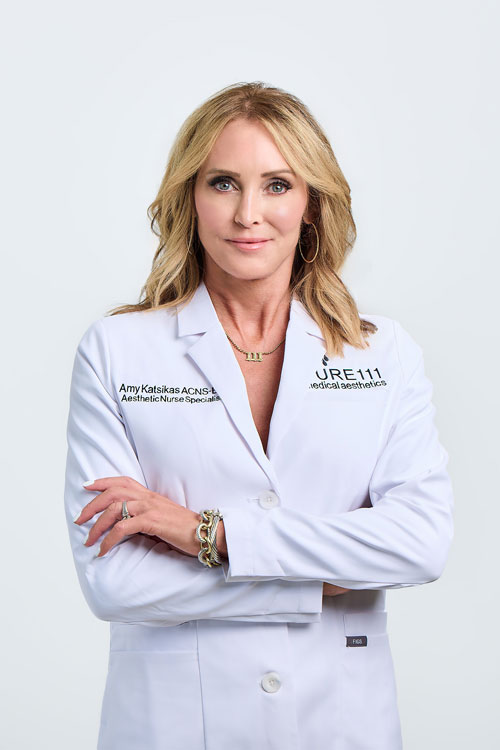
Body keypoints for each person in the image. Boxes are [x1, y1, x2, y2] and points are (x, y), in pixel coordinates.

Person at [64, 81, 454, 750]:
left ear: (312, 203)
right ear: (189, 196)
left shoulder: (383, 353)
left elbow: (419, 542)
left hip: (341, 725)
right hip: (172, 726)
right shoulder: (118, 350)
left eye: (277, 184)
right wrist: (317, 583)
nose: (249, 214)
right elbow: (115, 583)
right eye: (223, 183)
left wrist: (208, 535)